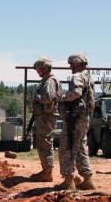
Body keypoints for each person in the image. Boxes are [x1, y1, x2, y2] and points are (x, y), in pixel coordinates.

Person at [58, 52, 95, 190]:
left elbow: (76, 93)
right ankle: (87, 179)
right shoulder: (88, 77)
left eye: (72, 64)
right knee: (80, 147)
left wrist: (62, 97)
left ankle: (68, 180)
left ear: (78, 63)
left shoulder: (77, 76)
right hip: (84, 117)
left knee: (67, 147)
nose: (70, 67)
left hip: (74, 118)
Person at [30, 57, 62, 182]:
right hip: (43, 116)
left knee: (45, 142)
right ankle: (46, 170)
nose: (37, 72)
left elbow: (48, 98)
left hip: (46, 116)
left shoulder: (50, 81)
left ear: (45, 69)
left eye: (38, 70)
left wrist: (36, 98)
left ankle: (47, 171)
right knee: (42, 141)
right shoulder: (46, 80)